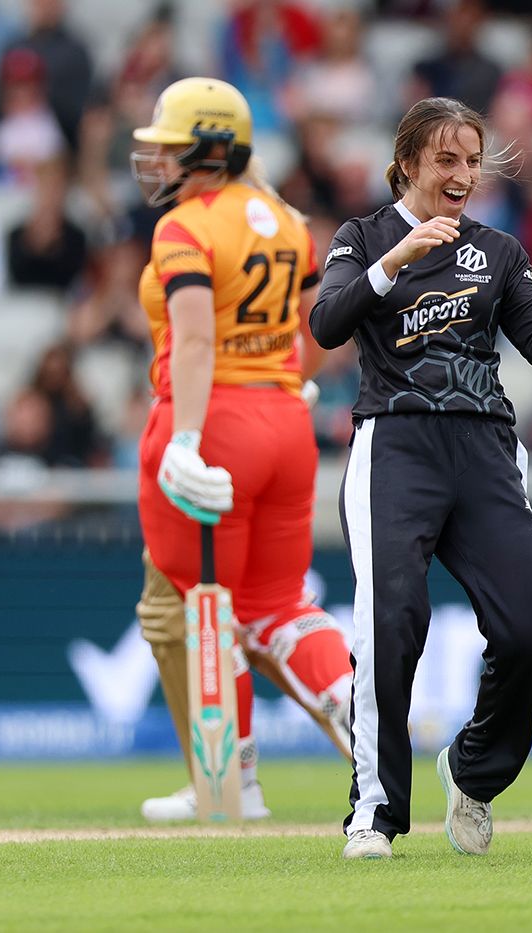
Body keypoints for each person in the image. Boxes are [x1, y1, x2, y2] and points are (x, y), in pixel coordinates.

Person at [309, 96, 532, 861]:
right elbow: (326, 323)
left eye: (472, 160)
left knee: (526, 632)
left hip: (484, 447)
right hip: (396, 444)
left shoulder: (499, 250)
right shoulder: (364, 236)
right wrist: (399, 259)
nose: (463, 174)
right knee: (392, 622)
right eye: (447, 159)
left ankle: (472, 770)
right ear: (408, 161)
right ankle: (374, 814)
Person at [128, 77, 356, 822]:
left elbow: (194, 338)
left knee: (207, 607)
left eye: (171, 145)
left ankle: (231, 785)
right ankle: (356, 697)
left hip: (211, 416)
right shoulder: (288, 221)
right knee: (279, 602)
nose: (159, 159)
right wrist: (286, 382)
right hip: (284, 420)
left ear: (207, 148)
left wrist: (187, 438)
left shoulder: (185, 226)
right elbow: (318, 329)